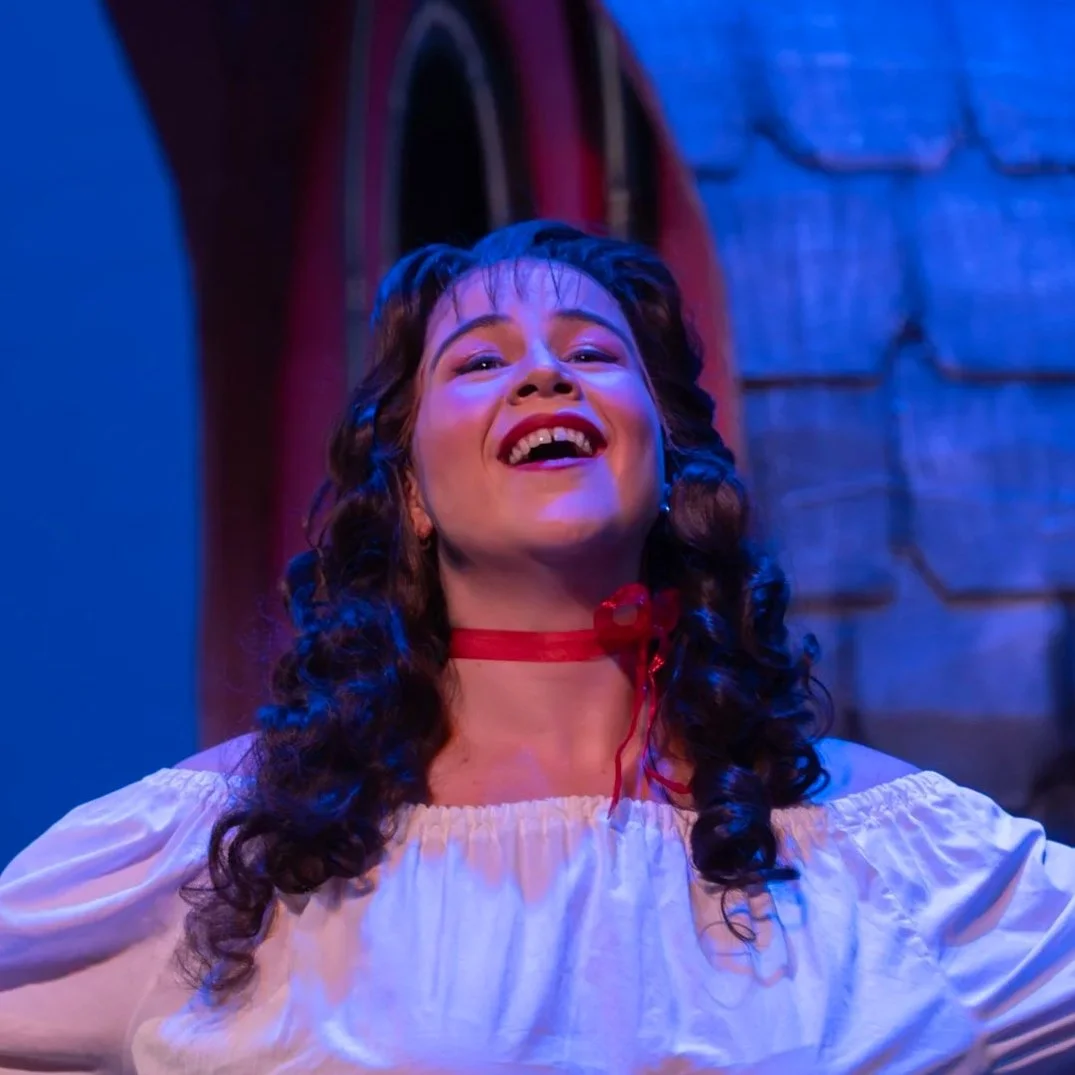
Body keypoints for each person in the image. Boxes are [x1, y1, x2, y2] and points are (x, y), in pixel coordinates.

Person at [1, 221, 1072, 1074]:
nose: (544, 375)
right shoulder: (226, 859)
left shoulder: (887, 862)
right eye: (478, 361)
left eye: (593, 352)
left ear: (668, 466)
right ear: (410, 494)